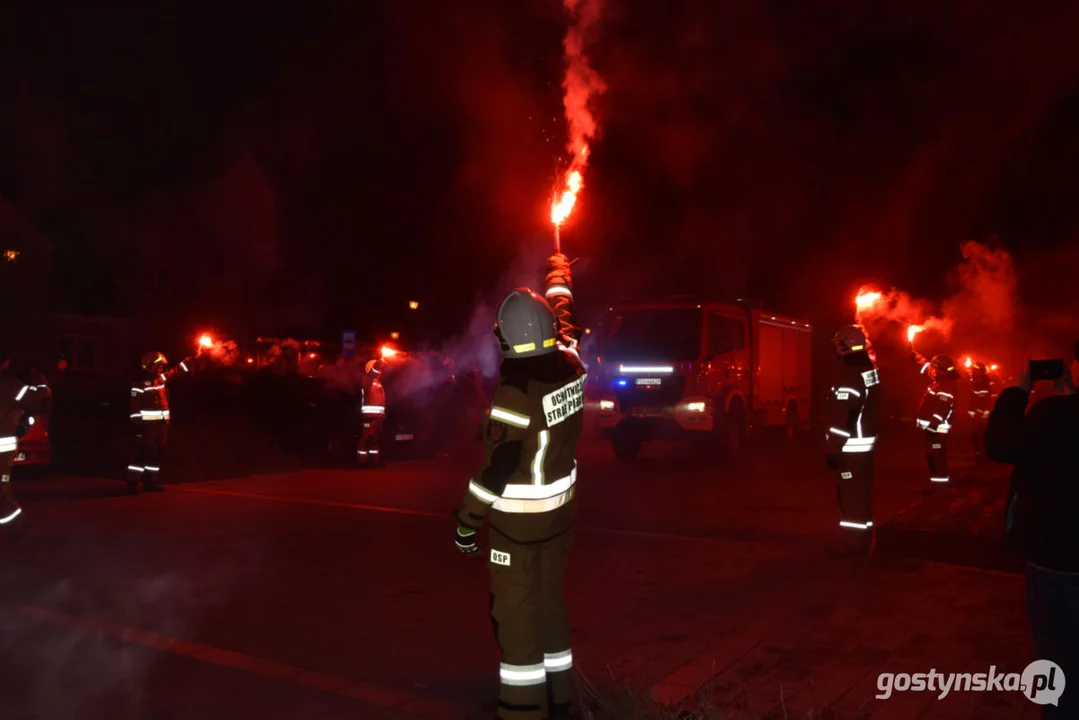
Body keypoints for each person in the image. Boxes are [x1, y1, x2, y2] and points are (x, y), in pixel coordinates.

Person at [453, 252, 585, 720]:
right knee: (550, 603)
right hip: (560, 522)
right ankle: (561, 697)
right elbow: (565, 329)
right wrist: (559, 282)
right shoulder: (570, 366)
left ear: (506, 338)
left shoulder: (514, 393)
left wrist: (467, 522)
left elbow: (497, 469)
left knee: (516, 619)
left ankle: (522, 709)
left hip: (518, 530)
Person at [986, 358, 1078, 719]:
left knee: (1060, 664)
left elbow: (1001, 442)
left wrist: (1018, 391)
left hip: (1056, 564)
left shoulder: (1053, 415)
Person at [824, 325, 880, 556]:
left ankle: (853, 546)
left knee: (850, 497)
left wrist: (833, 450)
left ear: (844, 345)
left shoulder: (849, 377)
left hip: (850, 449)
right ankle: (863, 540)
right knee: (861, 495)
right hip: (865, 447)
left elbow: (842, 417)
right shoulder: (869, 371)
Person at [128, 351, 194, 493]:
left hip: (161, 426)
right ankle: (133, 482)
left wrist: (190, 359)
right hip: (147, 427)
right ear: (151, 366)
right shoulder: (139, 385)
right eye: (159, 366)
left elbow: (176, 371)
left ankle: (149, 482)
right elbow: (134, 409)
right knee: (143, 454)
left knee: (157, 454)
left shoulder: (161, 379)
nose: (162, 369)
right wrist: (137, 426)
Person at [0, 350, 50, 533]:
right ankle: (17, 524)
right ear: (4, 363)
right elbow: (39, 400)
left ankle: (16, 523)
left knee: (3, 488)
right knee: (1, 488)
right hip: (2, 450)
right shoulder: (10, 386)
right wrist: (40, 381)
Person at [912, 352, 959, 483]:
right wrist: (915, 355)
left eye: (934, 368)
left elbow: (942, 409)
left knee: (937, 456)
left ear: (940, 369)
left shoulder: (946, 385)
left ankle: (940, 489)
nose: (932, 371)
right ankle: (936, 486)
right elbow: (927, 368)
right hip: (933, 429)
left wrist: (932, 427)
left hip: (937, 430)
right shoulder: (942, 380)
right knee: (932, 456)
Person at [356, 358, 386, 466]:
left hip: (378, 417)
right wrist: (379, 363)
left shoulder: (377, 383)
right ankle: (361, 461)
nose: (381, 371)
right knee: (365, 437)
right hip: (369, 416)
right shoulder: (367, 380)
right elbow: (373, 372)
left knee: (375, 439)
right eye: (378, 369)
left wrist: (382, 415)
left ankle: (374, 461)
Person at [967, 360, 992, 467]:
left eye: (976, 371)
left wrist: (984, 414)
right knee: (975, 438)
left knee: (982, 438)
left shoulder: (986, 383)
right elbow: (971, 400)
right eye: (974, 371)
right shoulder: (974, 382)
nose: (974, 373)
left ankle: (984, 461)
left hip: (983, 417)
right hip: (975, 416)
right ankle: (979, 460)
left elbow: (987, 400)